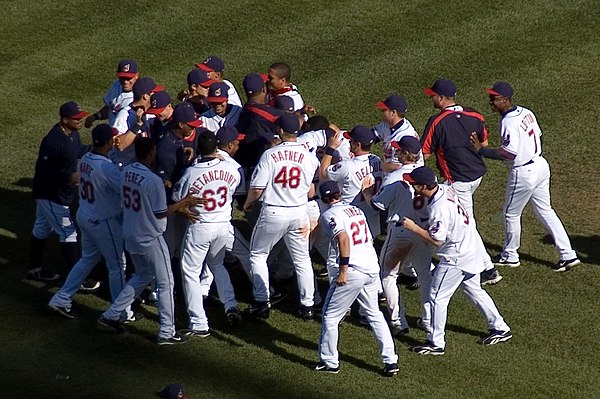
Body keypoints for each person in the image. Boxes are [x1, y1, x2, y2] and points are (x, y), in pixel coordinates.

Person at [97, 137, 201, 344]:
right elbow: (161, 213)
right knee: (166, 283)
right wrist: (184, 202)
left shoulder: (126, 171)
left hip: (130, 234)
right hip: (150, 238)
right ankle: (167, 332)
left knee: (142, 275)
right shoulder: (153, 181)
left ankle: (111, 315)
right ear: (152, 152)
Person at [401, 166, 512, 355]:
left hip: (456, 256)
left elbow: (437, 240)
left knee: (437, 297)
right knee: (474, 290)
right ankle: (500, 327)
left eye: (414, 184)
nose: (412, 186)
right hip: (471, 249)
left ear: (422, 186)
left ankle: (436, 343)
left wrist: (413, 228)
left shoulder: (439, 209)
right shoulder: (445, 189)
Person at [472, 81, 580, 272]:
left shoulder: (508, 121)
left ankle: (510, 255)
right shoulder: (525, 111)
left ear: (505, 100)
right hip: (540, 165)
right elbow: (539, 136)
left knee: (511, 214)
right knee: (546, 210)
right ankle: (568, 254)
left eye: (494, 99)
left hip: (524, 173)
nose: (490, 102)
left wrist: (482, 150)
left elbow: (509, 153)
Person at [420, 78, 502, 286]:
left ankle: (488, 269)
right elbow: (483, 143)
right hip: (477, 174)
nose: (432, 99)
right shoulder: (474, 114)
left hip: (458, 181)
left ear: (441, 98)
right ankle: (486, 267)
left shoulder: (436, 121)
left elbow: (424, 154)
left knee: (467, 225)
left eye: (433, 96)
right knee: (466, 221)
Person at [316, 181, 399, 376]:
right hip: (370, 267)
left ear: (324, 199)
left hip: (353, 269)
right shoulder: (356, 210)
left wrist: (343, 270)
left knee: (330, 317)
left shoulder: (329, 215)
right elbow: (368, 239)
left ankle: (329, 362)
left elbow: (344, 239)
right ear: (339, 194)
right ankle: (391, 360)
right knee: (374, 313)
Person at [48, 124, 131, 319]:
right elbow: (126, 189)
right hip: (104, 221)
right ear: (109, 142)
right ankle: (120, 313)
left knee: (87, 260)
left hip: (85, 216)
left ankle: (61, 298)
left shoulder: (85, 159)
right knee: (117, 266)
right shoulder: (107, 168)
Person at [243, 113, 319, 321]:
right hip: (299, 212)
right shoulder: (310, 157)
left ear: (280, 131)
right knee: (302, 259)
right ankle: (308, 306)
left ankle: (261, 302)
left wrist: (248, 202)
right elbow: (311, 189)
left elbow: (257, 188)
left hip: (275, 211)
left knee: (258, 255)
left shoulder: (270, 155)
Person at [172, 131, 243, 336]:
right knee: (217, 264)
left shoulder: (191, 172)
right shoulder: (231, 168)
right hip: (223, 225)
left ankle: (199, 322)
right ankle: (230, 305)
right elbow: (235, 182)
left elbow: (178, 197)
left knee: (191, 273)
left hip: (200, 226)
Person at [362, 136, 432, 335]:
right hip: (422, 231)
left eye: (398, 150)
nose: (396, 152)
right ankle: (428, 319)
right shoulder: (427, 176)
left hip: (400, 231)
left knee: (388, 275)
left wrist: (367, 193)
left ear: (403, 153)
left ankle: (398, 322)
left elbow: (377, 206)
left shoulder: (395, 178)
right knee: (425, 276)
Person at [28, 101, 91, 283]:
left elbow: (78, 150)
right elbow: (43, 169)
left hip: (57, 192)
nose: (80, 121)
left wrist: (98, 147)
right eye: (76, 118)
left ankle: (34, 269)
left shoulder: (72, 134)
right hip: (50, 193)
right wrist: (67, 176)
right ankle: (78, 280)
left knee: (41, 228)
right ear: (64, 120)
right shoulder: (53, 141)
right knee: (68, 233)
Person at [319, 125, 383, 237]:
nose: (349, 142)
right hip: (371, 214)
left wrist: (330, 149)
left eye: (351, 141)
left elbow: (323, 175)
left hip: (350, 218)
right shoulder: (376, 160)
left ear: (358, 145)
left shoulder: (347, 166)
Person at [111, 77, 164, 168]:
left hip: (147, 169)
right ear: (146, 96)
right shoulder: (124, 115)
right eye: (154, 93)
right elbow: (120, 145)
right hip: (126, 170)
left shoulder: (152, 112)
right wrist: (137, 125)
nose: (157, 95)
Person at [375, 95, 423, 175]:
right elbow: (369, 137)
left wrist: (373, 166)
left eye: (384, 110)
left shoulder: (405, 136)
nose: (382, 112)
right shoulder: (387, 125)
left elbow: (398, 166)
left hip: (409, 177)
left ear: (393, 113)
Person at [85, 59, 139, 128]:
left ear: (136, 76)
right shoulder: (117, 84)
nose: (125, 82)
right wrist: (94, 117)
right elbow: (111, 107)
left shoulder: (140, 96)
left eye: (128, 78)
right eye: (122, 78)